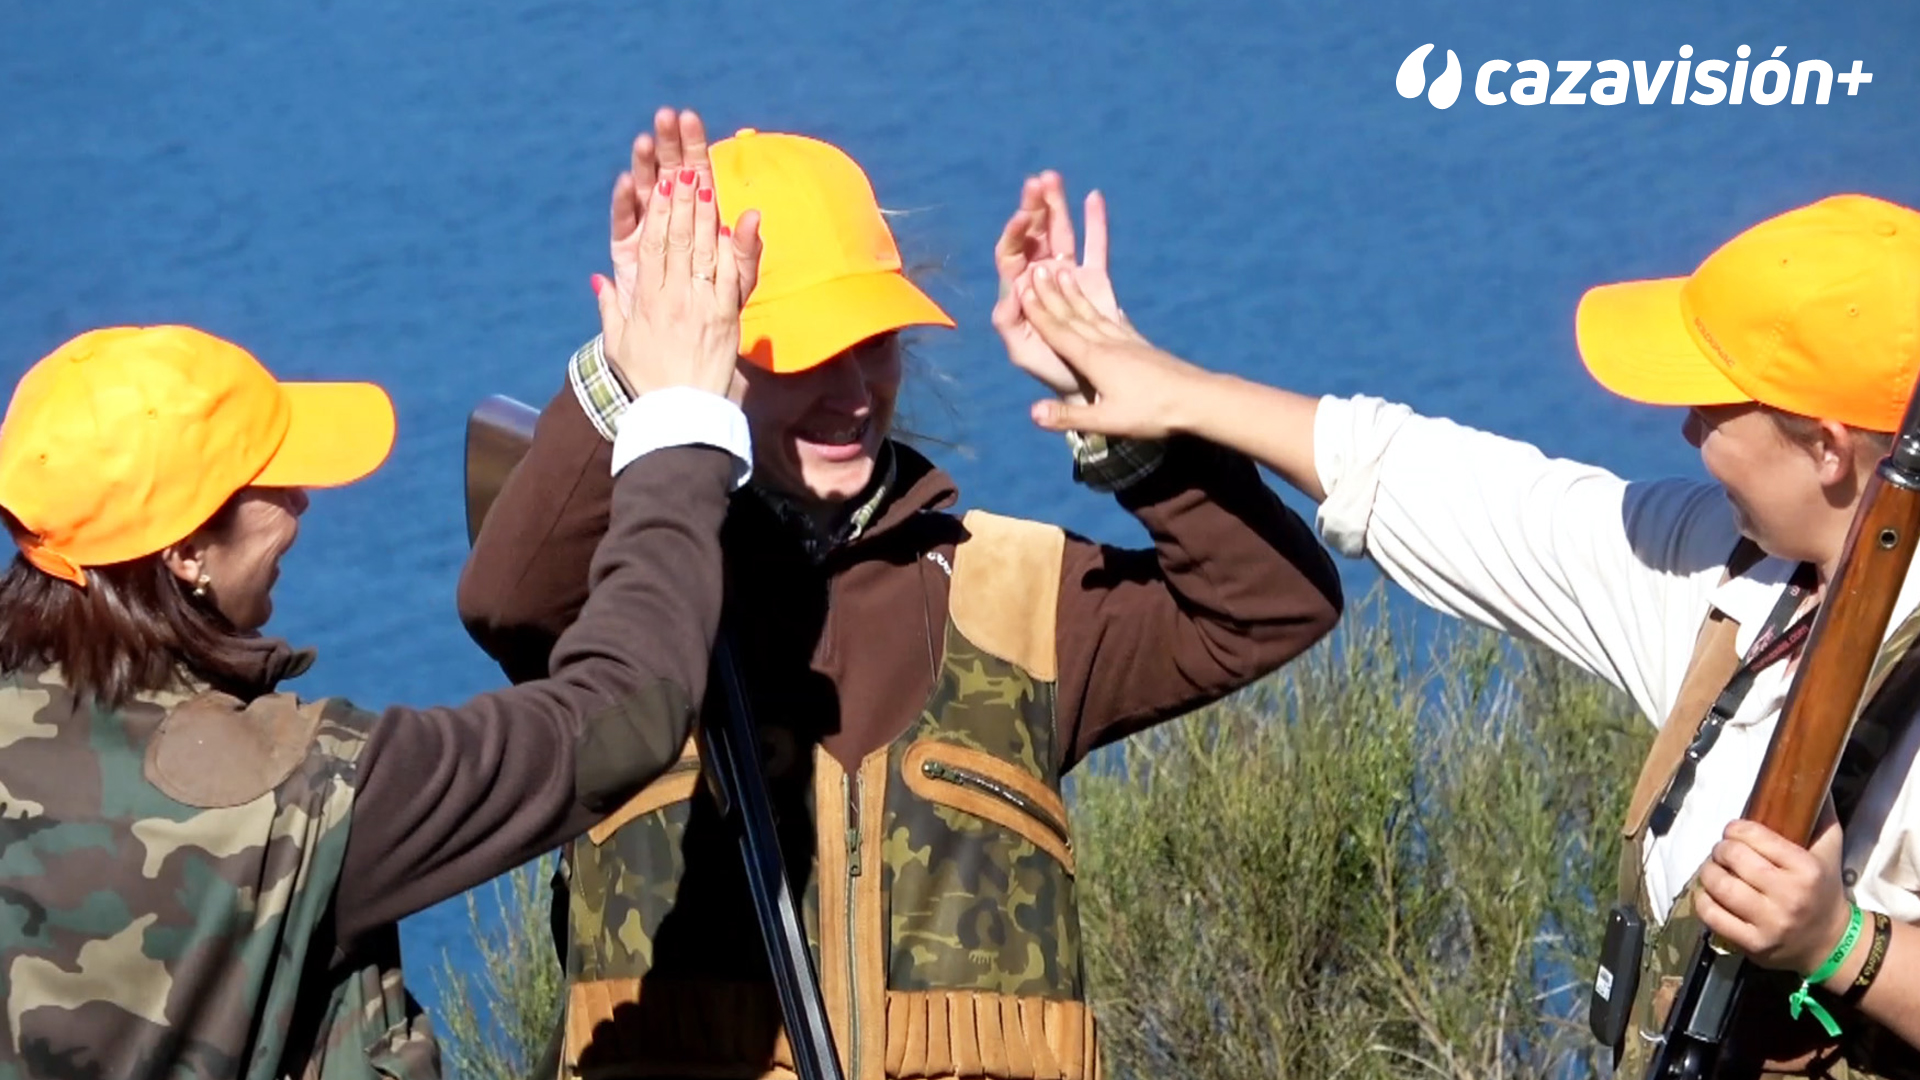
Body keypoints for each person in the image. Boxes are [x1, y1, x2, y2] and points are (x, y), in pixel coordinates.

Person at [456, 107, 1344, 1079]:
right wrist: (635, 378)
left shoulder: (1014, 599)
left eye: (872, 343)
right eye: (801, 357)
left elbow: (1274, 603)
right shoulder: (642, 600)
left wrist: (1129, 403)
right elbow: (507, 601)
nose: (850, 393)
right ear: (710, 360)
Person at [1003, 191, 1920, 1076]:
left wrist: (1838, 941)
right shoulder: (1728, 570)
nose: (1685, 430)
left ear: (1829, 449)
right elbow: (1436, 482)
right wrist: (1161, 387)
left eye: (1716, 409)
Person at [0, 139, 760, 1080]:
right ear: (186, 551)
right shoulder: (289, 802)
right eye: (271, 485)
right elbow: (621, 714)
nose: (303, 503)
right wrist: (679, 427)